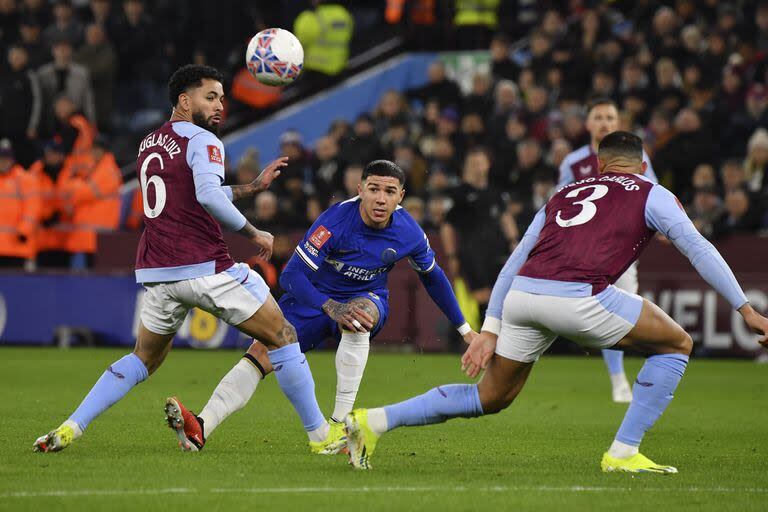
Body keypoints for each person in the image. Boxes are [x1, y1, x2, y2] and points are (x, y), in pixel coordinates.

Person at [343, 131, 768, 472]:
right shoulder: (651, 190)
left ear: (599, 164)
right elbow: (698, 248)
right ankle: (623, 452)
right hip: (579, 298)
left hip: (524, 297)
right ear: (642, 166)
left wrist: (490, 328)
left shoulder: (565, 192)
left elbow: (514, 262)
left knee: (490, 397)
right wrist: (745, 308)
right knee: (677, 343)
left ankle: (373, 421)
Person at [33, 64, 341, 456]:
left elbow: (193, 193)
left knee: (143, 358)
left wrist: (253, 186)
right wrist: (253, 232)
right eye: (210, 97)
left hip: (160, 272)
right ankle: (320, 437)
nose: (219, 106)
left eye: (222, 99)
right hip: (205, 266)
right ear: (184, 100)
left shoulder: (150, 143)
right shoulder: (204, 141)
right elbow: (209, 196)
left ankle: (72, 425)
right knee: (283, 337)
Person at [165, 159, 477, 452]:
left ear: (401, 196)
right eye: (374, 189)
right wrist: (328, 305)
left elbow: (433, 277)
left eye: (390, 191)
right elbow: (292, 276)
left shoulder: (410, 233)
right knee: (260, 352)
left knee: (359, 316)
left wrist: (464, 329)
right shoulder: (335, 221)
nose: (381, 199)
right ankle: (201, 427)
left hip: (366, 297)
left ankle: (340, 425)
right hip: (314, 297)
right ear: (360, 189)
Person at [557, 97, 658, 403]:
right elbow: (558, 202)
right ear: (588, 124)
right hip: (583, 251)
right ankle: (618, 379)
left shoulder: (637, 158)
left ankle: (633, 372)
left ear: (618, 123)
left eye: (609, 118)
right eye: (598, 117)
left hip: (622, 250)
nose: (604, 123)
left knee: (625, 309)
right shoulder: (573, 163)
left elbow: (653, 195)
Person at [0, 139, 38, 268]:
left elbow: (32, 209)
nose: (3, 162)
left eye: (6, 159)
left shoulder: (24, 179)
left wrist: (24, 231)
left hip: (16, 245)